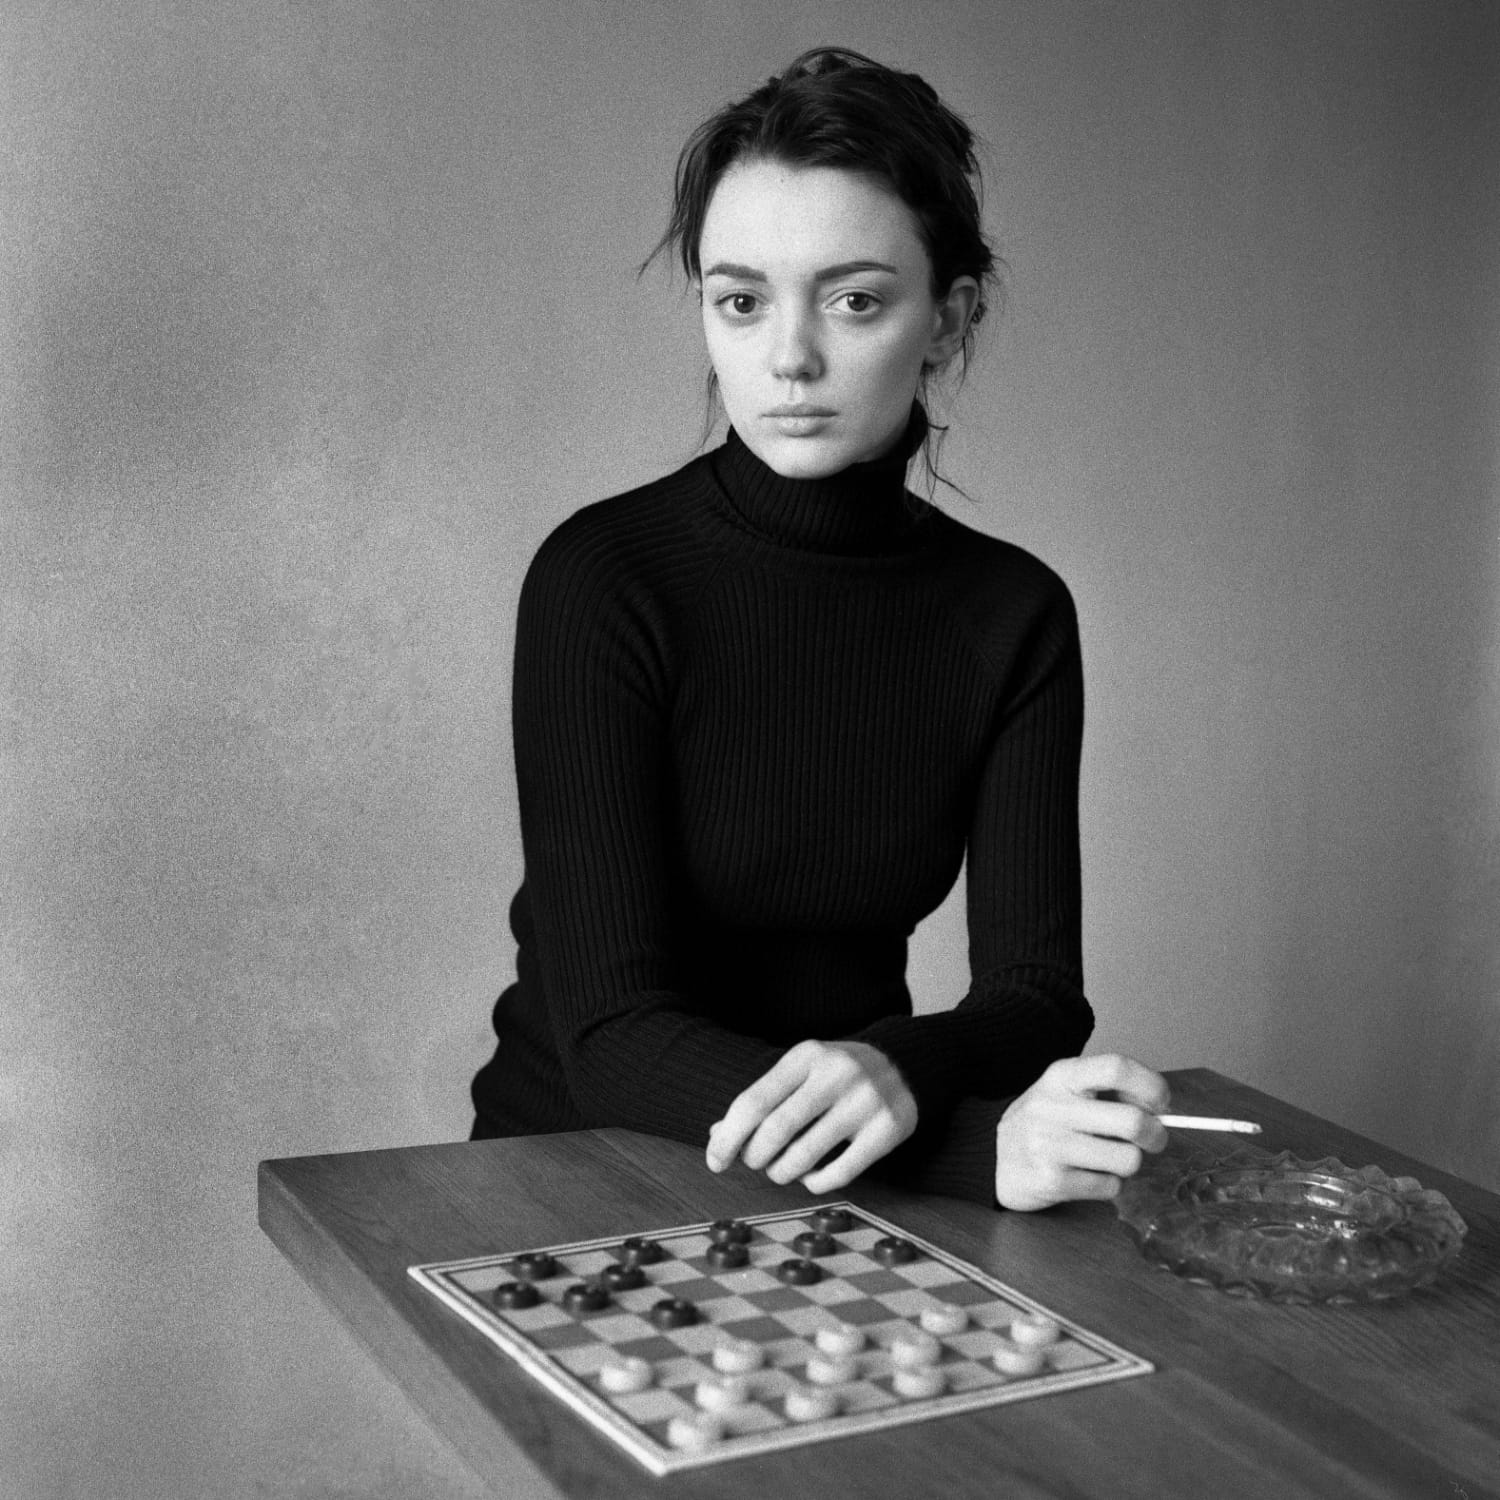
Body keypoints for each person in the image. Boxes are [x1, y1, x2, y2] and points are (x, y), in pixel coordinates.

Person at [470, 46, 1170, 1210]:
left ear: (948, 319)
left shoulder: (1015, 613)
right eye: (742, 301)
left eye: (854, 300)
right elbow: (611, 1036)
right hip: (577, 1168)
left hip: (842, 1176)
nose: (789, 358)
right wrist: (967, 1150)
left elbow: (1038, 997)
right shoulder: (603, 579)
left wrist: (905, 1067)